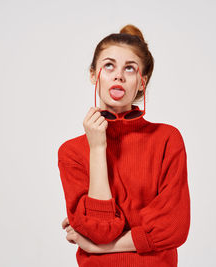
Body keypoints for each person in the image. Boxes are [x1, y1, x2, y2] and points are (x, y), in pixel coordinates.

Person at [57, 24, 191, 267]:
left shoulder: (166, 139)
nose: (118, 75)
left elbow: (174, 228)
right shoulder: (72, 152)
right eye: (109, 65)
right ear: (93, 75)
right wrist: (97, 148)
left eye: (129, 68)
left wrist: (98, 247)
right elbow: (102, 230)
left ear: (142, 82)